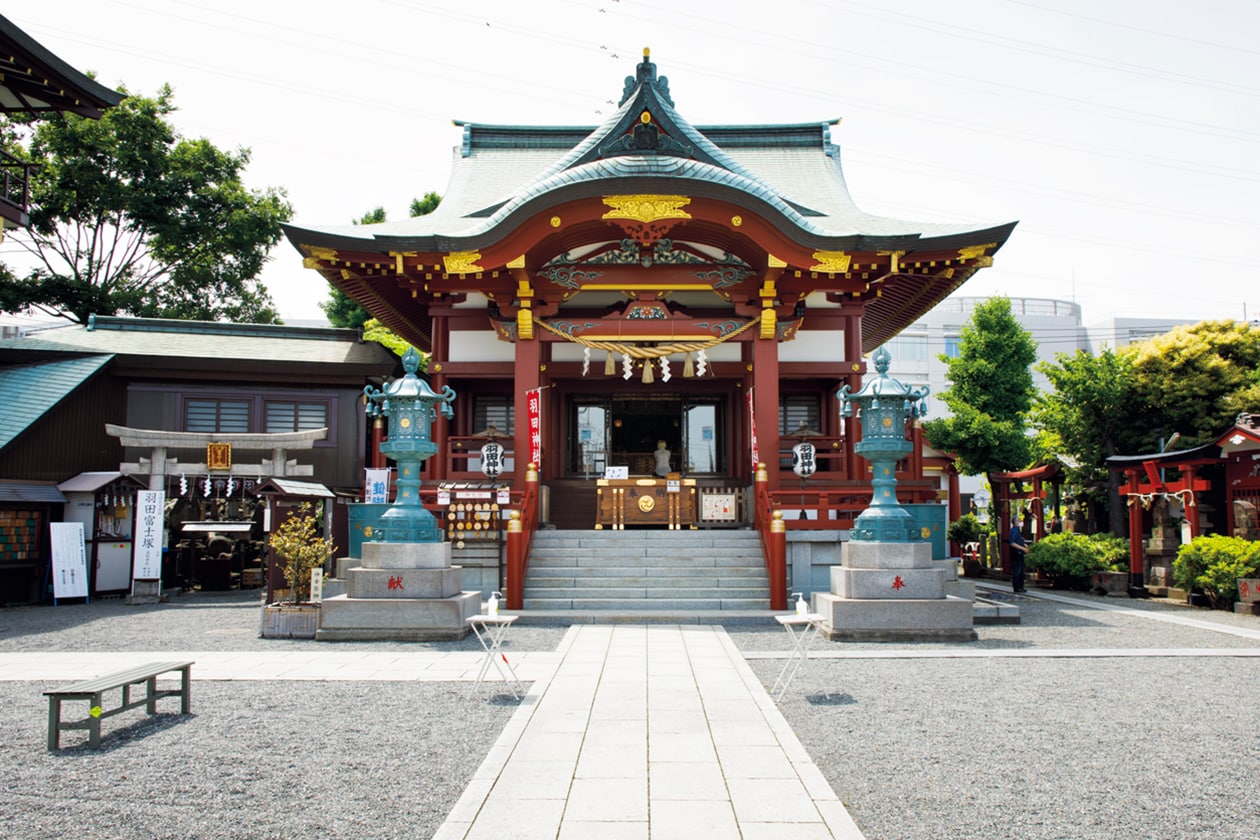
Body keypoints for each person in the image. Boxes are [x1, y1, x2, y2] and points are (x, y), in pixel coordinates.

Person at [1009, 521, 1029, 593]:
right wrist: (1022, 548)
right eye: (1019, 520)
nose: (1020, 522)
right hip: (1016, 552)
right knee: (1017, 570)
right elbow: (1012, 542)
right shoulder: (1014, 530)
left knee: (1020, 570)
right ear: (1015, 522)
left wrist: (1024, 545)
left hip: (1020, 552)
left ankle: (1020, 586)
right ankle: (1017, 587)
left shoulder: (1017, 530)